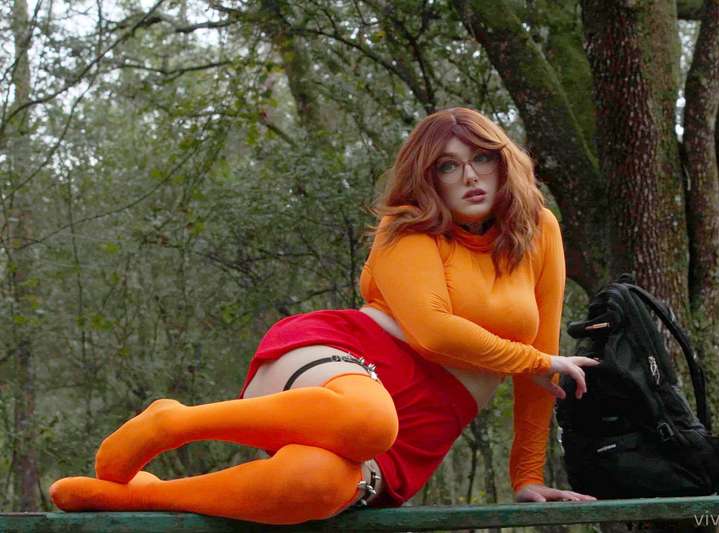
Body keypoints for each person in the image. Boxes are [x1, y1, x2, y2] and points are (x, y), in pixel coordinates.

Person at [49, 107, 598, 524]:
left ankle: (142, 498)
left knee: (313, 484)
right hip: (347, 362)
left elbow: (543, 371)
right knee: (368, 420)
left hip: (420, 432)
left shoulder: (538, 230)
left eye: (482, 158)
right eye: (448, 166)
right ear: (428, 179)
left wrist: (527, 475)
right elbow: (434, 333)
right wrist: (537, 360)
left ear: (504, 162)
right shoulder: (408, 229)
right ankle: (173, 423)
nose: (470, 176)